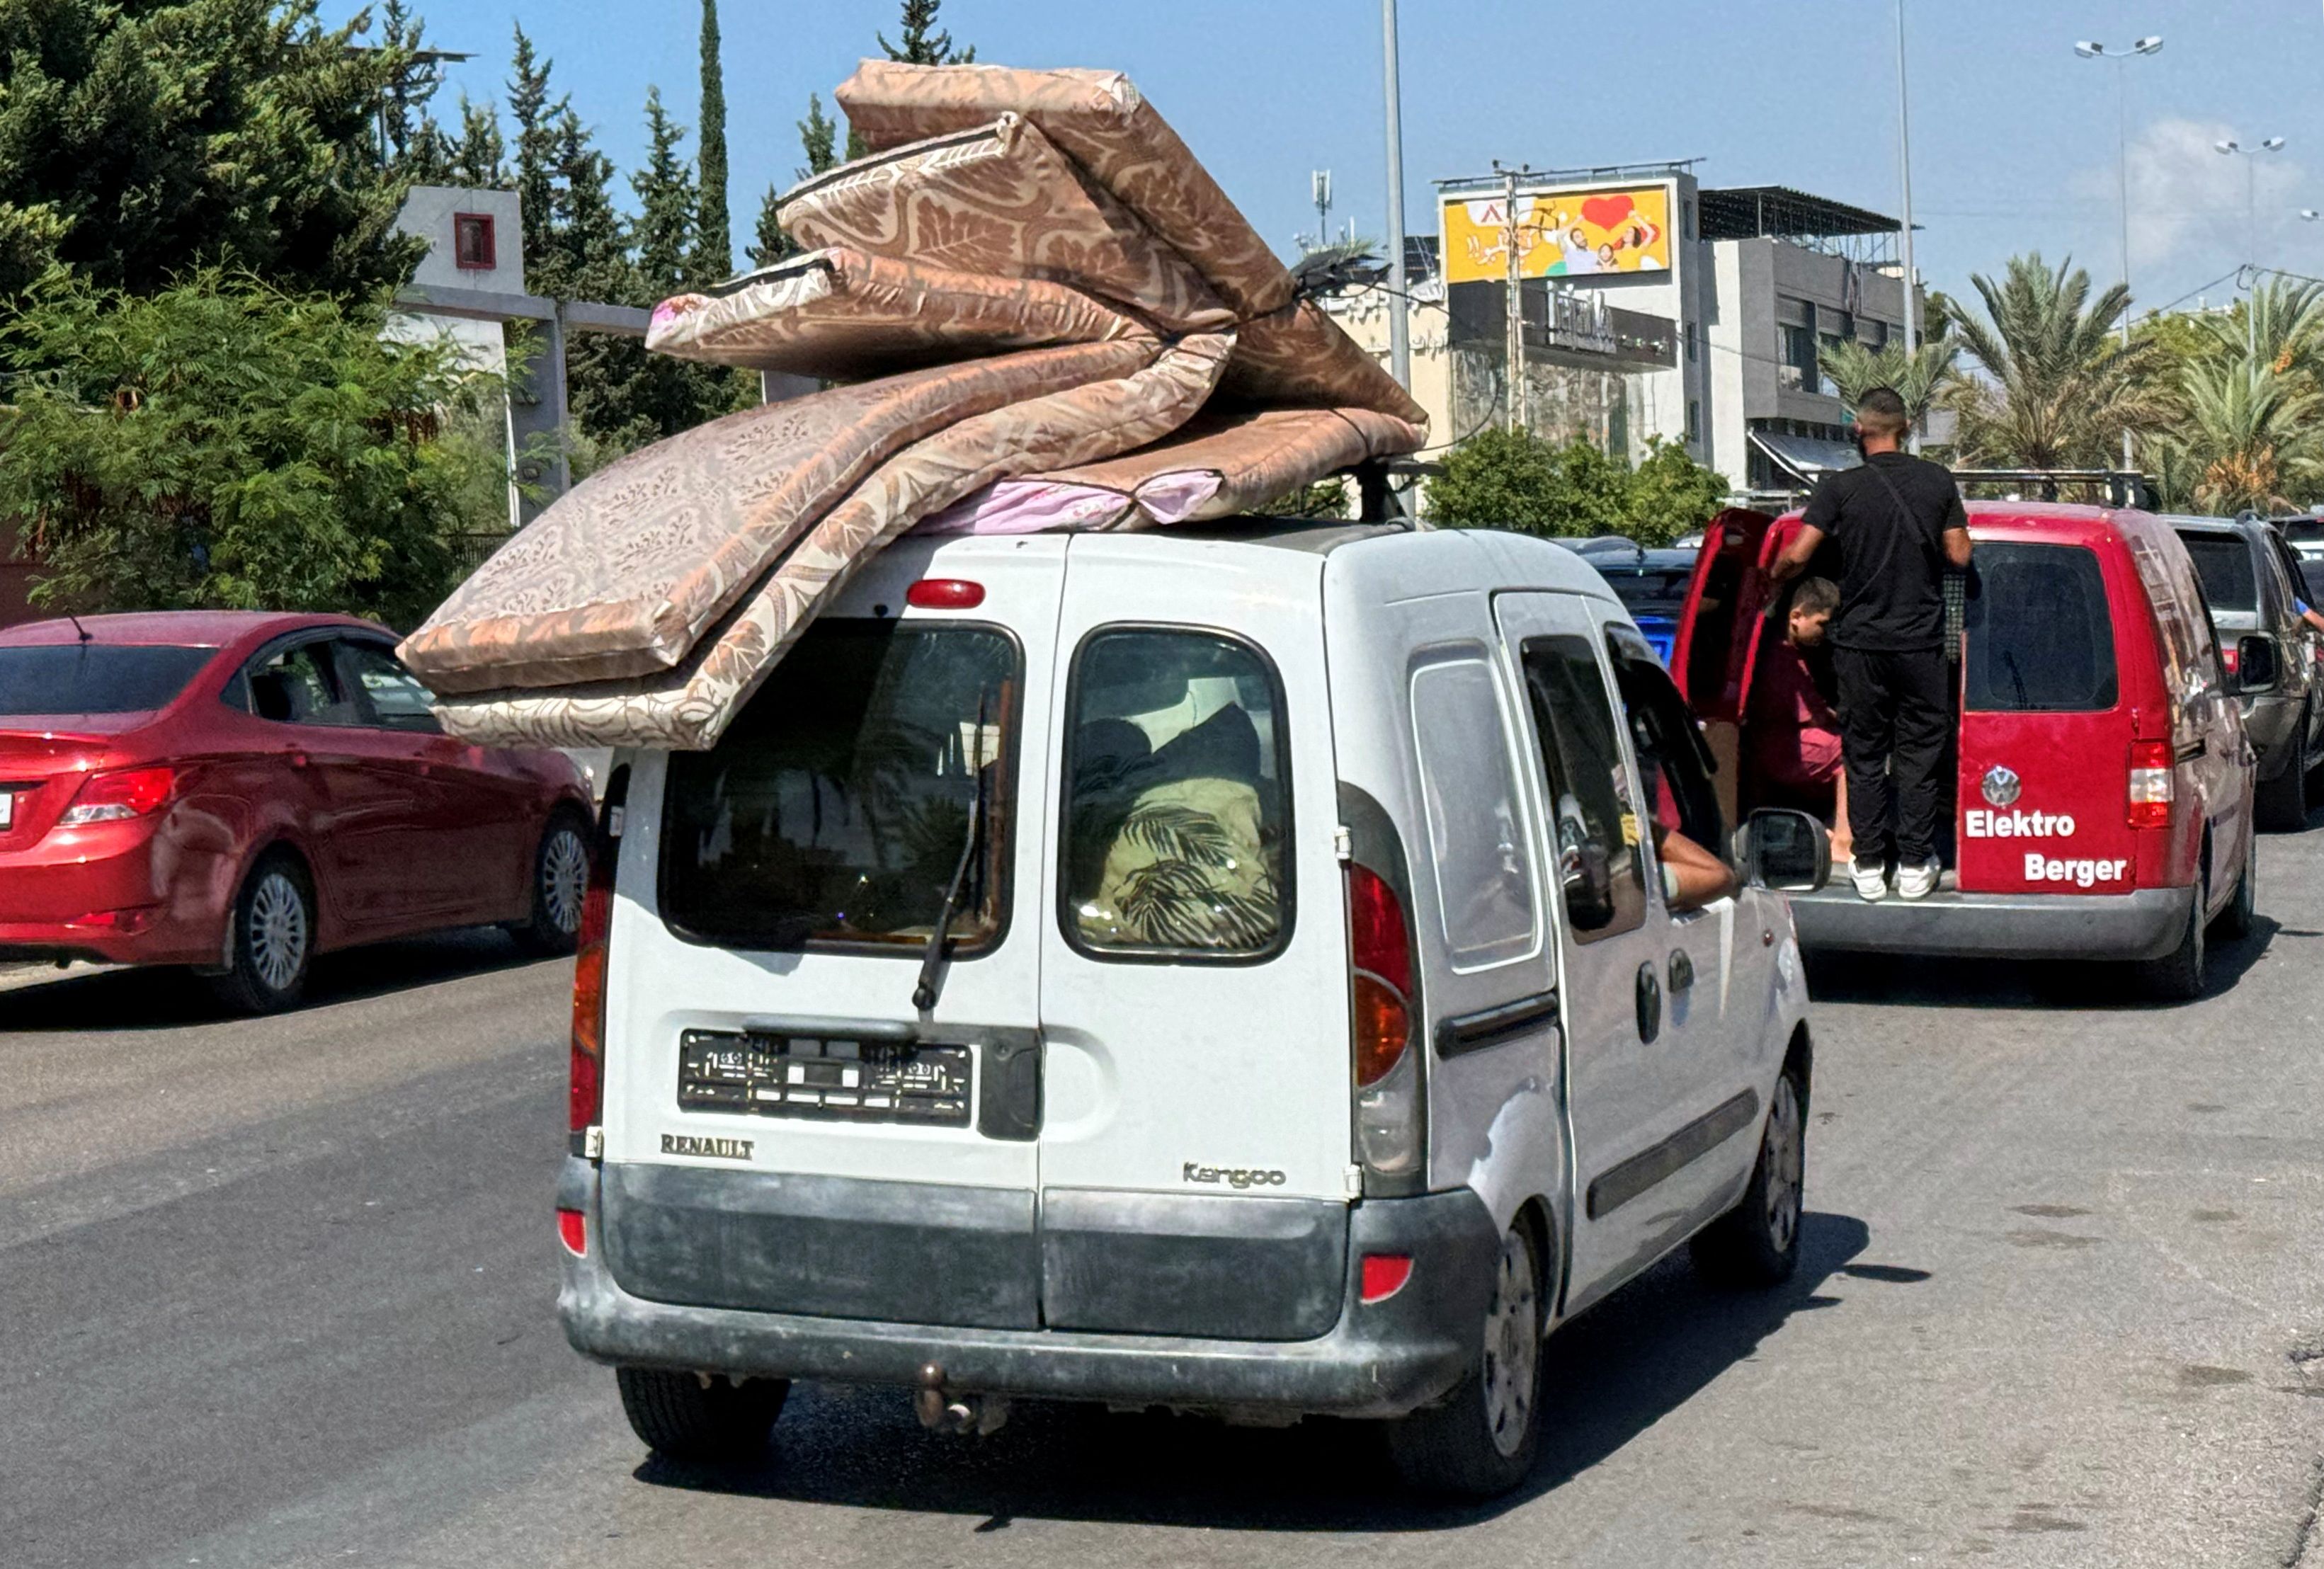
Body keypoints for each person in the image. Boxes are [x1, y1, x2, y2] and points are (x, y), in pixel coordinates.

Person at [1770, 387, 1972, 902]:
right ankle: (1913, 863)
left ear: (1858, 429)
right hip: (1919, 643)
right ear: (1906, 428)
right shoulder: (1937, 481)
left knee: (1863, 753)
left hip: (1858, 646)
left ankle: (1866, 865)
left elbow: (1800, 552)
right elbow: (1959, 556)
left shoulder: (1840, 488)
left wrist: (1774, 576)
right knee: (1919, 753)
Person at [1749, 577, 1852, 861]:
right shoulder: (1780, 658)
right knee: (1852, 752)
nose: (1825, 632)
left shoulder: (1791, 652)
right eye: (1821, 623)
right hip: (1781, 744)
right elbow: (1806, 715)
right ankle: (1843, 839)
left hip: (1784, 739)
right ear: (1796, 617)